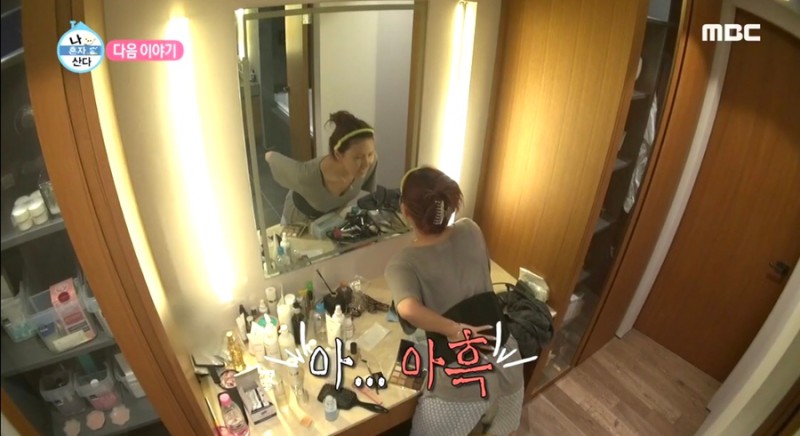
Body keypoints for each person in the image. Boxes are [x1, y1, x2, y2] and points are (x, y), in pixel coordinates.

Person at [384, 166, 524, 436]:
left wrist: (454, 329)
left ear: (405, 211)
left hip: (464, 383)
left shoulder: (403, 263)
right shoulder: (471, 229)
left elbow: (408, 308)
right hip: (507, 359)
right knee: (500, 430)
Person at [265, 110, 378, 224]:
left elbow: (370, 191)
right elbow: (273, 158)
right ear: (338, 155)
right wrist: (268, 155)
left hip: (332, 219)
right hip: (300, 220)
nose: (366, 163)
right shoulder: (306, 176)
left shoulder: (370, 163)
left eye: (370, 154)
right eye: (358, 158)